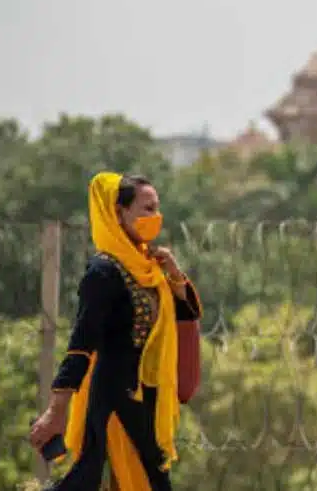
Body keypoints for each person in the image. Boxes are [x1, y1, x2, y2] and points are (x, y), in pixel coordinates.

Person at [29, 172, 202, 491]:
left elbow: (185, 317)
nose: (155, 217)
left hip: (145, 403)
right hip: (114, 403)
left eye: (157, 208)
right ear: (118, 213)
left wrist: (175, 275)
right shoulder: (104, 272)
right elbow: (81, 345)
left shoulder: (150, 269)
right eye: (146, 209)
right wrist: (57, 410)